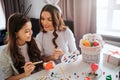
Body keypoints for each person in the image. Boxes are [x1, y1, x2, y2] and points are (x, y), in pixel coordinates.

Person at [0, 13, 44, 80]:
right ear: (16, 34)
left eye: (31, 29)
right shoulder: (4, 52)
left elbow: (40, 62)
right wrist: (24, 74)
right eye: (27, 31)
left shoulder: (35, 42)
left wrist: (46, 64)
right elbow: (6, 78)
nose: (31, 33)